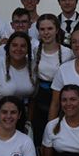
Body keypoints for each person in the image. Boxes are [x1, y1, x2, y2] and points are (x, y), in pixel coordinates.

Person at [0, 32, 38, 127]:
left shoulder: (33, 66)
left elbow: (33, 98)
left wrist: (29, 121)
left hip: (20, 116)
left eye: (23, 46)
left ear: (28, 50)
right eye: (14, 45)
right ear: (8, 47)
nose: (18, 49)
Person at [31, 14, 67, 145]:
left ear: (57, 30)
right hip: (41, 98)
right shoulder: (34, 51)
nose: (46, 33)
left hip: (62, 100)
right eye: (42, 29)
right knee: (41, 137)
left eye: (50, 29)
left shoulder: (68, 52)